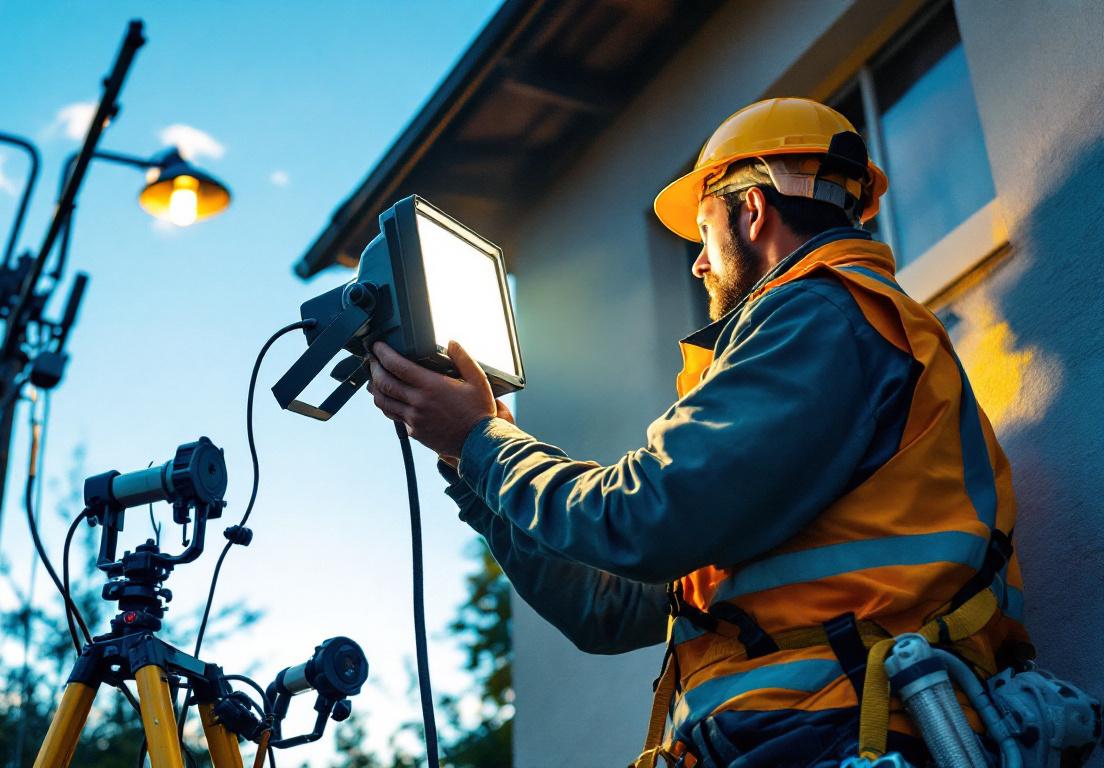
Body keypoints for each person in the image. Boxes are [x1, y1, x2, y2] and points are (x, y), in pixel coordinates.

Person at [364, 98, 1029, 767]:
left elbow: (640, 517)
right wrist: (470, 459)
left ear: (752, 211)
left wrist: (483, 440)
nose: (699, 265)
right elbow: (607, 608)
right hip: (807, 736)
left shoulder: (821, 314)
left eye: (704, 234)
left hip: (836, 732)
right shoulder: (836, 343)